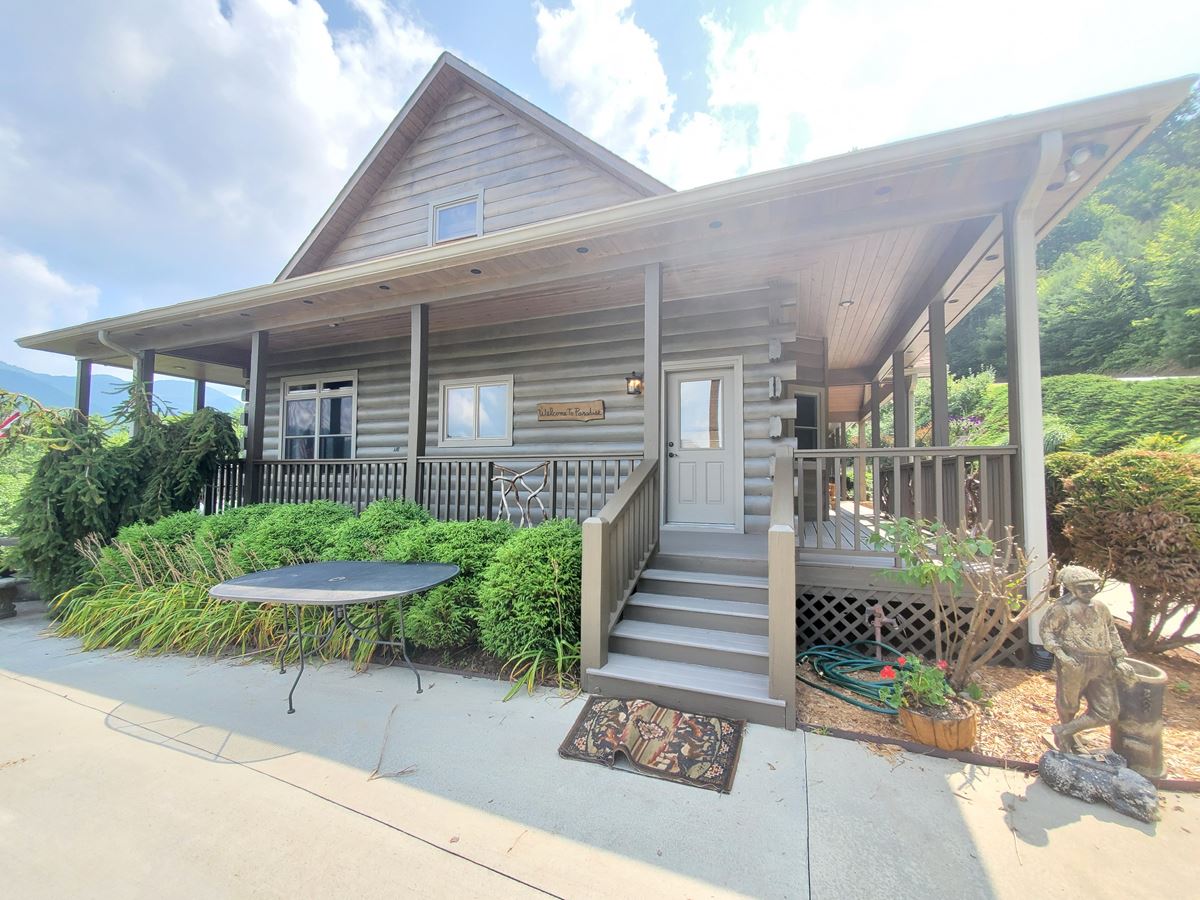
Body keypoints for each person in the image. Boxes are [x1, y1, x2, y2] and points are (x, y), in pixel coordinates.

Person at [1039, 565, 1134, 752]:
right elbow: (1047, 631)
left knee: (1108, 711)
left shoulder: (1101, 608)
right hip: (1075, 659)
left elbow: (1111, 631)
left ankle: (1064, 730)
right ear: (1072, 588)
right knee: (1069, 703)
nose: (1089, 591)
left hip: (1102, 661)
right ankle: (1067, 737)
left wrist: (1120, 658)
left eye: (1092, 587)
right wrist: (1062, 655)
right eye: (1084, 588)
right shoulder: (1061, 608)